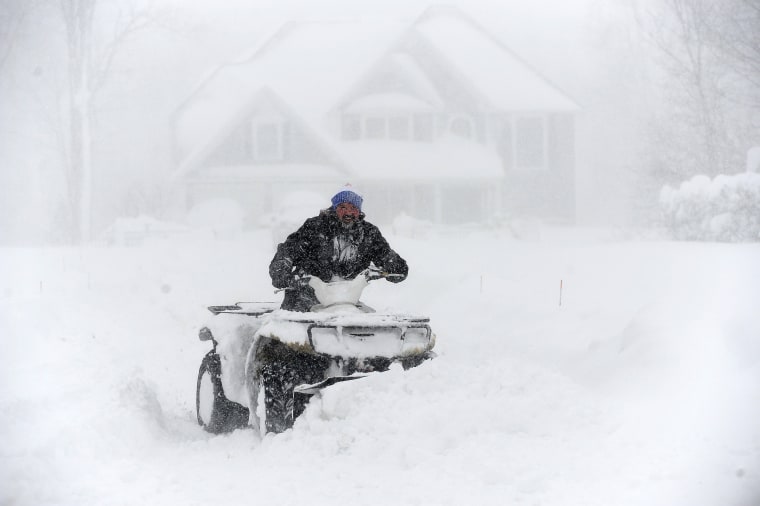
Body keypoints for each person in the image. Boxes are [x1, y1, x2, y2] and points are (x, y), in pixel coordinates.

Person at [269, 185, 408, 312]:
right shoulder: (315, 227)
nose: (348, 213)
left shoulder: (368, 233)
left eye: (353, 208)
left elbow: (385, 254)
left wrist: (394, 266)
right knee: (295, 334)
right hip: (305, 299)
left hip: (346, 300)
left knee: (368, 327)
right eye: (343, 207)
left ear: (359, 211)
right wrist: (282, 270)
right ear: (334, 209)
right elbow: (288, 251)